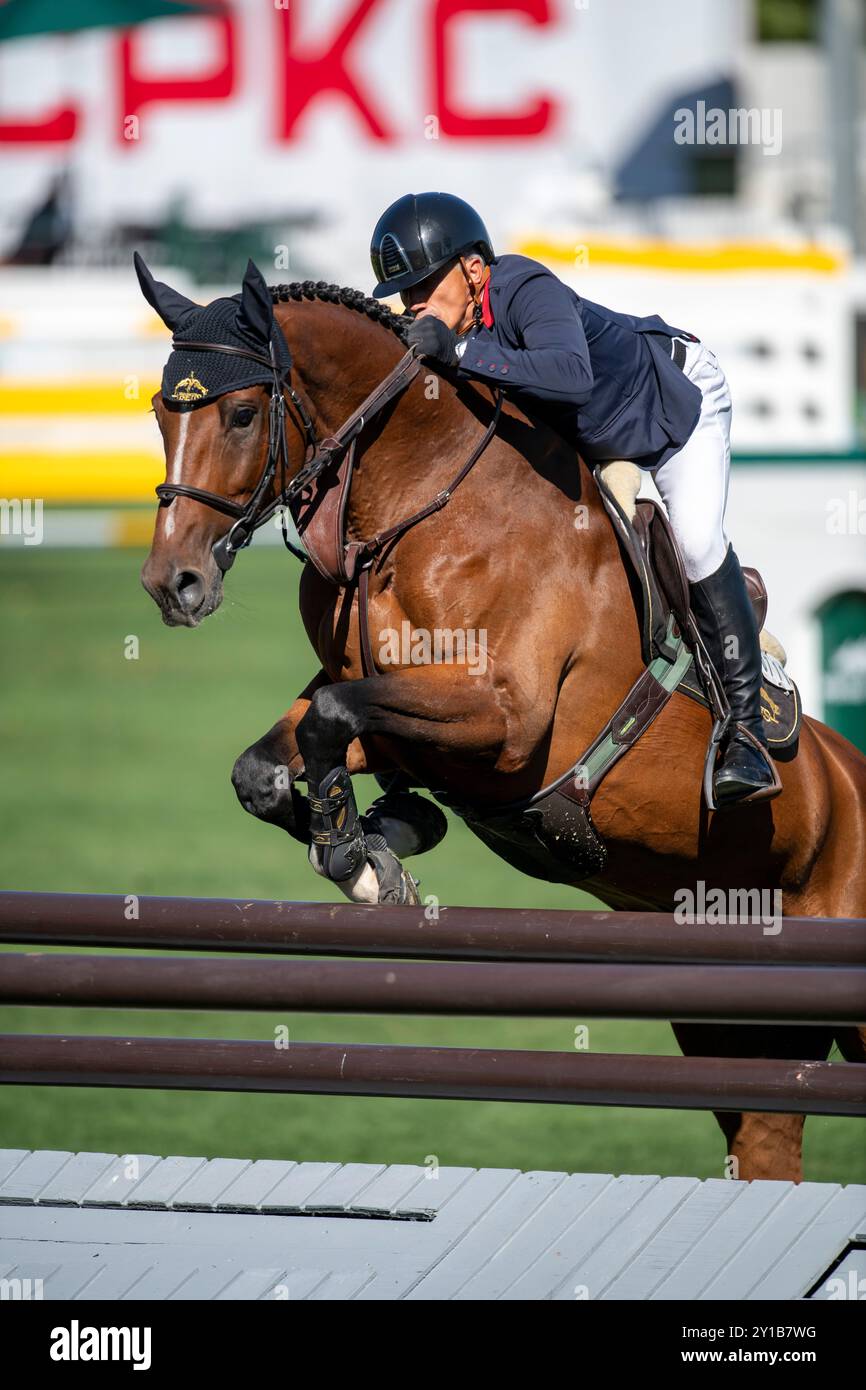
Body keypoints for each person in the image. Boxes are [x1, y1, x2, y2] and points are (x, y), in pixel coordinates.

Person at [369, 191, 779, 807]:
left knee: (695, 543)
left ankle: (745, 732)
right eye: (406, 295)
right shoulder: (459, 328)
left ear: (474, 268)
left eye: (425, 284)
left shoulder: (525, 285)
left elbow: (569, 375)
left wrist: (454, 352)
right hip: (599, 438)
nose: (414, 304)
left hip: (672, 404)